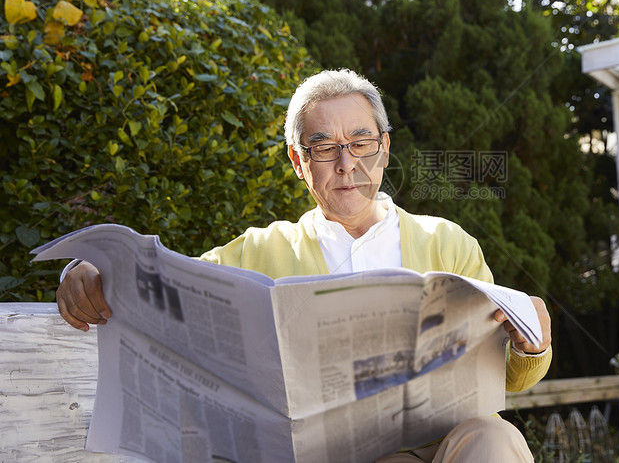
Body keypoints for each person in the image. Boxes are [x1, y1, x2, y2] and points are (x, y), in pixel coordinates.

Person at [57, 68, 553, 462]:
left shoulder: (448, 242)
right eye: (324, 148)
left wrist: (534, 344)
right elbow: (162, 284)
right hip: (335, 453)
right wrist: (89, 271)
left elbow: (508, 375)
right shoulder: (258, 251)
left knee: (495, 437)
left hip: (447, 439)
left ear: (384, 148)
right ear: (299, 161)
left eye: (361, 143)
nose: (347, 164)